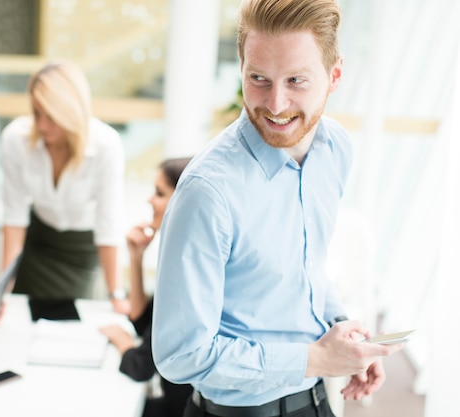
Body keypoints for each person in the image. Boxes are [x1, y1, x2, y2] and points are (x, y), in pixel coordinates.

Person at [151, 1, 405, 416]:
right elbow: (181, 355)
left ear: (334, 75)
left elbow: (307, 271)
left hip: (316, 402)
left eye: (297, 81)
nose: (275, 103)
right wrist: (318, 359)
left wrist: (345, 340)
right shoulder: (207, 192)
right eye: (259, 79)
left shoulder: (334, 149)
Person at [0, 60, 128, 312]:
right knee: (23, 317)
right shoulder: (16, 139)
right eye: (36, 113)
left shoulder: (106, 145)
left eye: (52, 116)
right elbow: (13, 217)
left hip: (83, 251)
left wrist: (116, 295)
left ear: (72, 111)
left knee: (74, 325)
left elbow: (108, 227)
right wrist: (2, 289)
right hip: (38, 244)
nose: (42, 125)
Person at [100, 157, 193, 417]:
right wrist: (136, 257)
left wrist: (121, 341)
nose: (150, 200)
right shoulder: (180, 254)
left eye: (160, 193)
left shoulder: (188, 270)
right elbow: (143, 322)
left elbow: (139, 365)